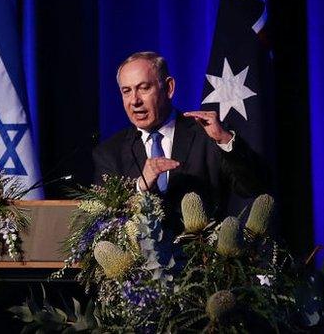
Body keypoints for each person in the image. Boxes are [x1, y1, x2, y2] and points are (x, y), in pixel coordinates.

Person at [92, 51, 267, 229]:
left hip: (204, 254)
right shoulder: (110, 152)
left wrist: (224, 139)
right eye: (126, 91)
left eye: (144, 88)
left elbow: (252, 187)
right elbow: (104, 218)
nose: (134, 100)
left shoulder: (206, 135)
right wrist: (141, 186)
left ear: (169, 88)